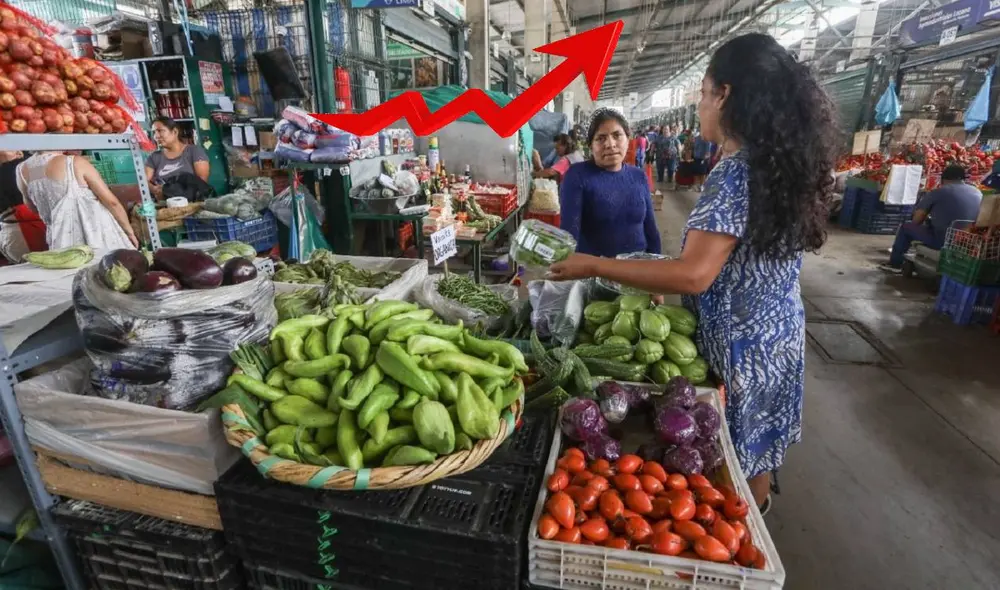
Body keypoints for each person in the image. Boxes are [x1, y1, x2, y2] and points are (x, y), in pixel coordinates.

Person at [548, 33, 838, 514]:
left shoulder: (735, 171)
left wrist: (594, 264)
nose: (700, 106)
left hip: (741, 346)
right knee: (758, 450)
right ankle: (757, 523)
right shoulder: (781, 162)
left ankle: (741, 540)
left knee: (731, 462)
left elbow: (695, 276)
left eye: (703, 94)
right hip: (778, 334)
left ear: (725, 95)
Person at [559, 108, 661, 258]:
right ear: (590, 145)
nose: (610, 144)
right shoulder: (577, 176)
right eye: (600, 138)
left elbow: (650, 228)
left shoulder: (638, 176)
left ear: (628, 138)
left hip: (638, 270)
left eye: (617, 135)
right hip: (596, 273)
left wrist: (656, 263)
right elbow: (569, 234)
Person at [17, 152, 138, 250]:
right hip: (98, 238)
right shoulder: (74, 163)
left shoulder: (22, 170)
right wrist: (129, 231)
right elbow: (112, 202)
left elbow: (32, 207)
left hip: (61, 242)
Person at [885, 164, 983, 270]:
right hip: (970, 242)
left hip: (943, 241)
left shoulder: (939, 192)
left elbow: (917, 220)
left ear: (943, 179)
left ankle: (895, 264)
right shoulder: (977, 191)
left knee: (906, 227)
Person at [145, 117, 210, 200]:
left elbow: (201, 183)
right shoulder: (154, 157)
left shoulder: (194, 151)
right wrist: (155, 190)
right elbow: (144, 181)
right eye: (154, 132)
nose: (156, 136)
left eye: (160, 130)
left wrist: (169, 192)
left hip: (191, 202)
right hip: (165, 203)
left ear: (175, 132)